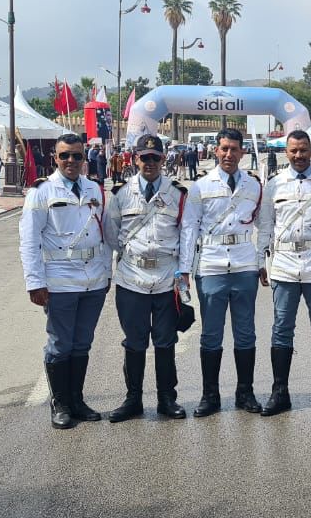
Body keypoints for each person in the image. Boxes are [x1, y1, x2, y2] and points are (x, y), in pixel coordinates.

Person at [18, 133, 112, 429]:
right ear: (55, 159)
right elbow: (29, 240)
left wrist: (107, 273)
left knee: (83, 343)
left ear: (84, 158)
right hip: (59, 280)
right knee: (60, 344)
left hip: (93, 280)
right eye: (65, 156)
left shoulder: (95, 189)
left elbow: (105, 235)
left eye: (76, 155)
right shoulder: (41, 192)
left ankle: (77, 400)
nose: (71, 161)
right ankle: (59, 403)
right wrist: (35, 282)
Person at [101, 134, 190, 423]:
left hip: (166, 278)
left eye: (155, 157)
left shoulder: (178, 194)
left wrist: (185, 277)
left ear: (164, 159)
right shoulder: (120, 194)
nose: (149, 162)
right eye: (144, 157)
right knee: (135, 342)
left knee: (165, 342)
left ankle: (167, 399)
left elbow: (186, 236)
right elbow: (111, 236)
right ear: (134, 158)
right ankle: (133, 399)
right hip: (132, 278)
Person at [255, 130, 311, 417]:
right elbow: (266, 226)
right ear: (286, 152)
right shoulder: (275, 185)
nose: (299, 156)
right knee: (281, 328)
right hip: (284, 264)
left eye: (303, 150)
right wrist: (260, 262)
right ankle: (280, 392)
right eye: (293, 151)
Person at [182, 128, 265, 417]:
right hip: (212, 266)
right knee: (211, 335)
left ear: (243, 152)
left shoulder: (254, 186)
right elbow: (189, 228)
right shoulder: (200, 187)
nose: (229, 154)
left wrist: (262, 260)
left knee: (245, 334)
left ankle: (246, 392)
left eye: (234, 149)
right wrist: (184, 269)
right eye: (224, 148)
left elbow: (262, 225)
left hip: (243, 265)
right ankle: (210, 395)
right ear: (216, 150)